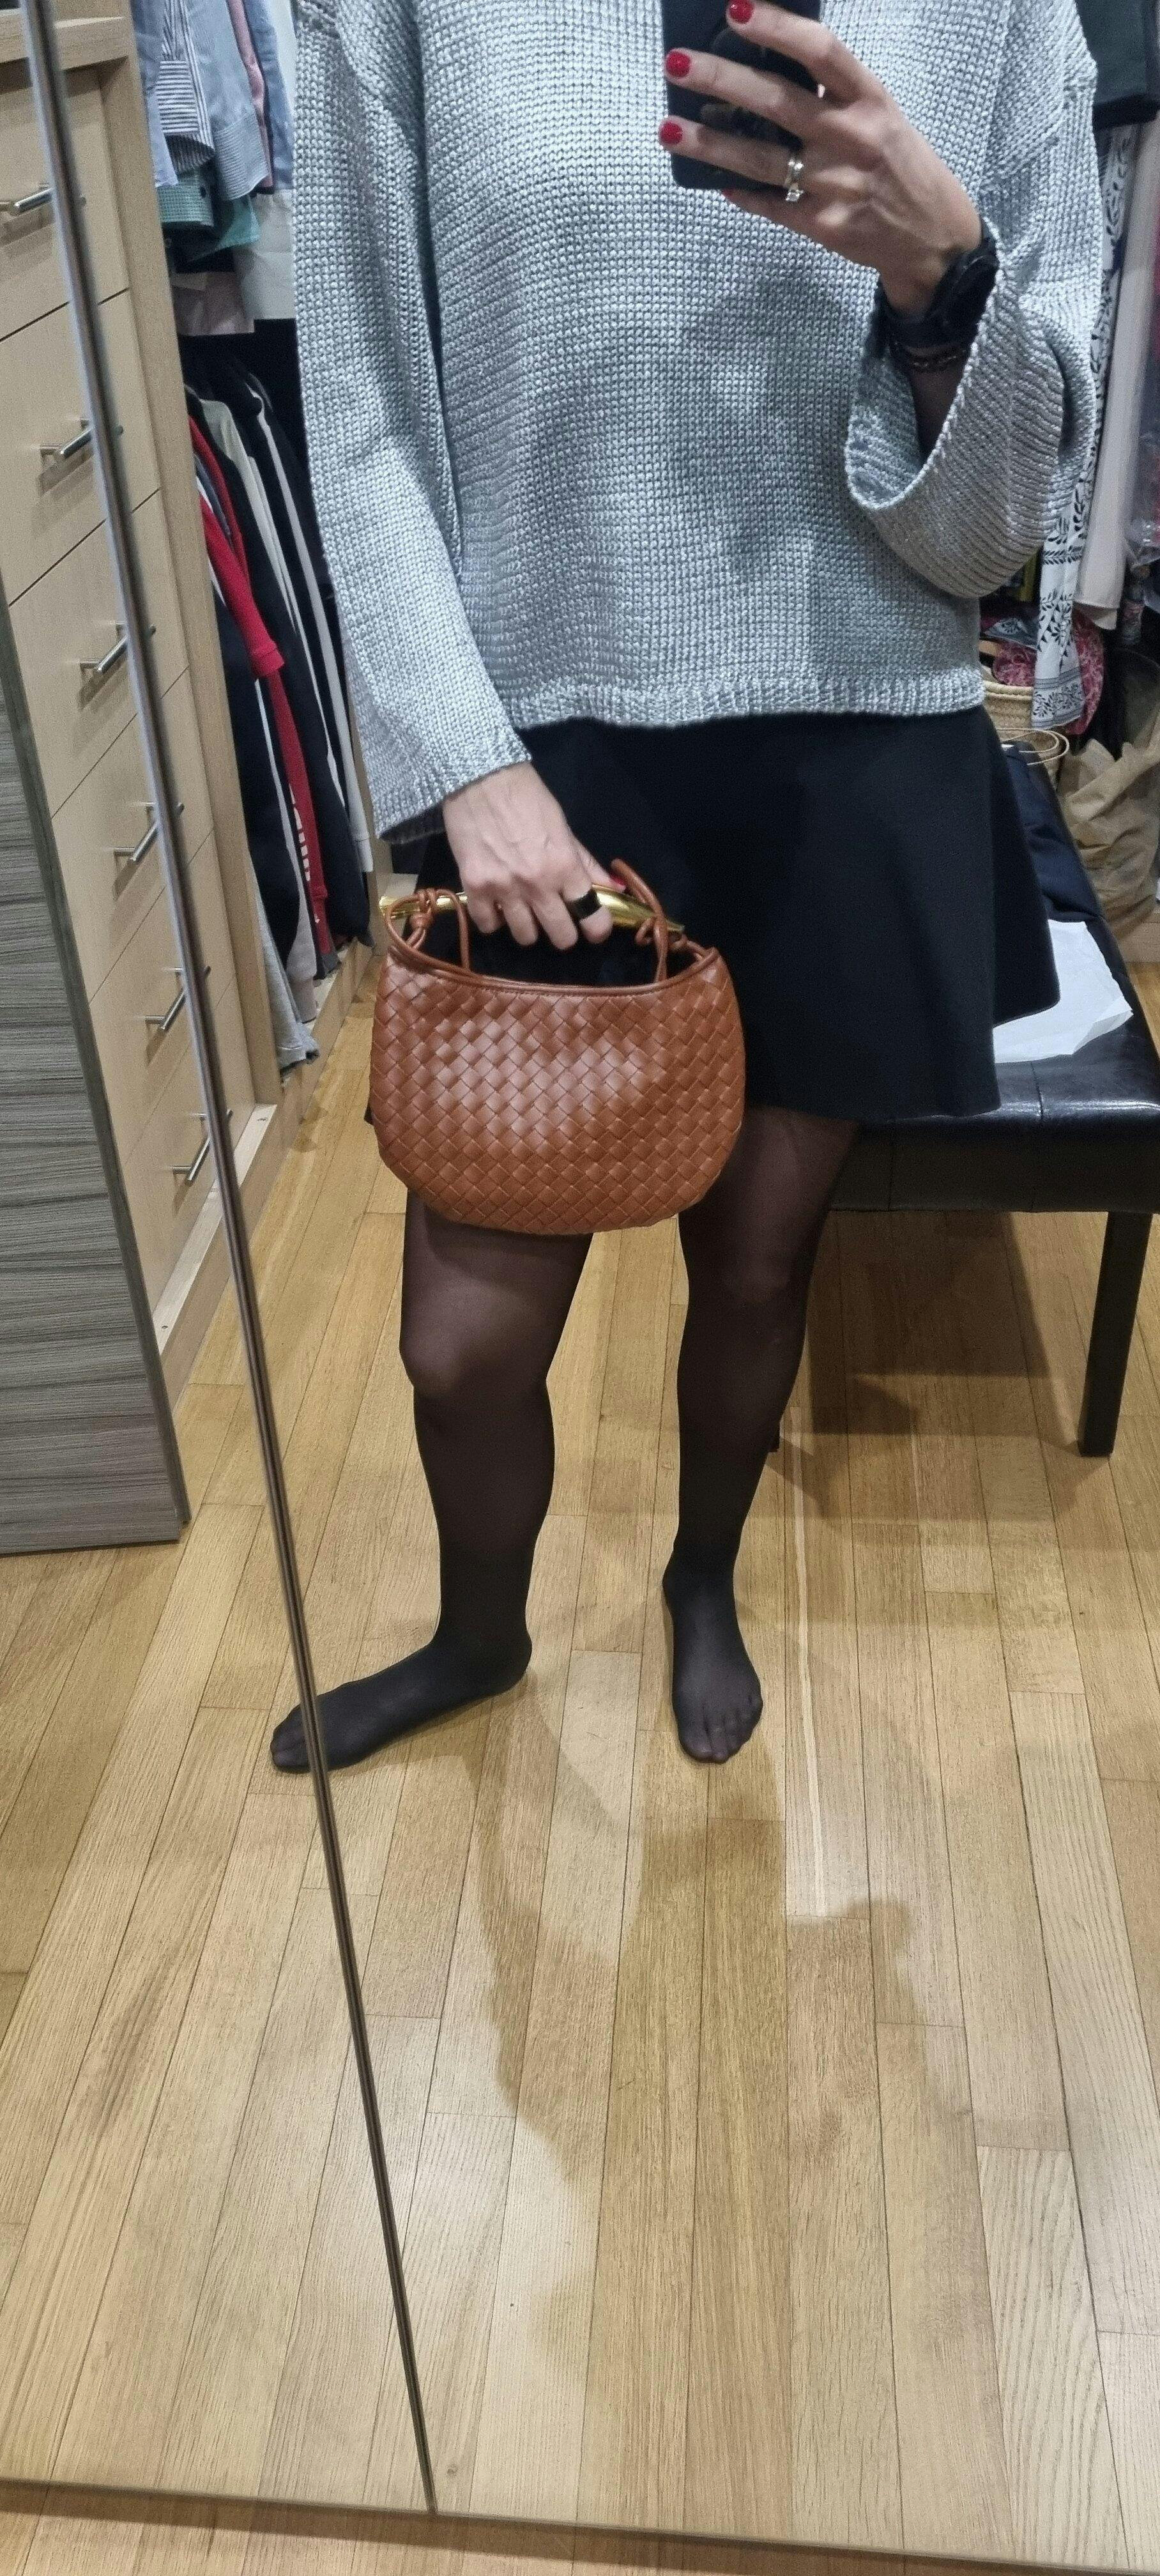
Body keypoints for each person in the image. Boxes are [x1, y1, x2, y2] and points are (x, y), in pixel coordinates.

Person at [272, 0, 1103, 1774]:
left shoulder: (1007, 12)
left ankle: (701, 1576)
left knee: (754, 1267)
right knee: (463, 1344)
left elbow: (999, 535)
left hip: (854, 748)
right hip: (542, 759)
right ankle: (480, 1634)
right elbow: (359, 405)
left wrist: (945, 284)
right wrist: (463, 760)